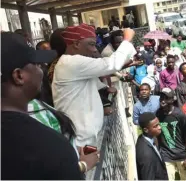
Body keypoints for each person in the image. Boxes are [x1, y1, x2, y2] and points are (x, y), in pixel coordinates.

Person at [1, 32, 83, 179]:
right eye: (37, 64)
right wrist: (79, 165)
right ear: (19, 76)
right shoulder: (50, 148)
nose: (42, 69)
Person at [52, 25, 136, 146]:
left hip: (84, 137)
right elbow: (110, 64)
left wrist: (105, 88)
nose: (95, 49)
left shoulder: (71, 63)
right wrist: (127, 40)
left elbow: (90, 82)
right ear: (76, 44)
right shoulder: (71, 62)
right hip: (80, 141)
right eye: (91, 44)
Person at [156, 88, 186, 181]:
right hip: (166, 154)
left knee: (185, 179)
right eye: (161, 98)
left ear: (172, 100)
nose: (162, 100)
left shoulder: (179, 114)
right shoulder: (158, 114)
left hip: (181, 154)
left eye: (166, 98)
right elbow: (157, 135)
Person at [136, 113, 168, 180]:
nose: (159, 127)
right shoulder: (146, 154)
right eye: (155, 126)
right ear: (146, 130)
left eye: (159, 124)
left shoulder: (145, 138)